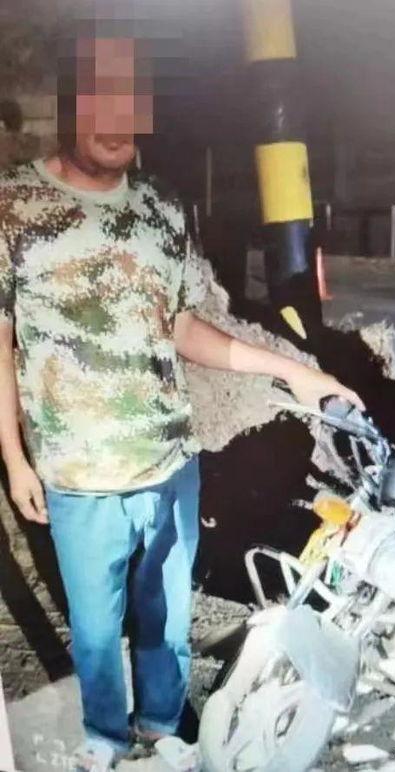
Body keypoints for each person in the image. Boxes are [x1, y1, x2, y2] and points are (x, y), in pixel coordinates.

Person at [0, 34, 364, 772]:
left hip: (170, 462)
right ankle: (106, 738)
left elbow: (181, 325)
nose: (116, 125)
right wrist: (14, 456)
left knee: (165, 620)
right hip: (78, 473)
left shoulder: (162, 207)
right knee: (96, 630)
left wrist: (295, 372)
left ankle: (164, 726)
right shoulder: (12, 204)